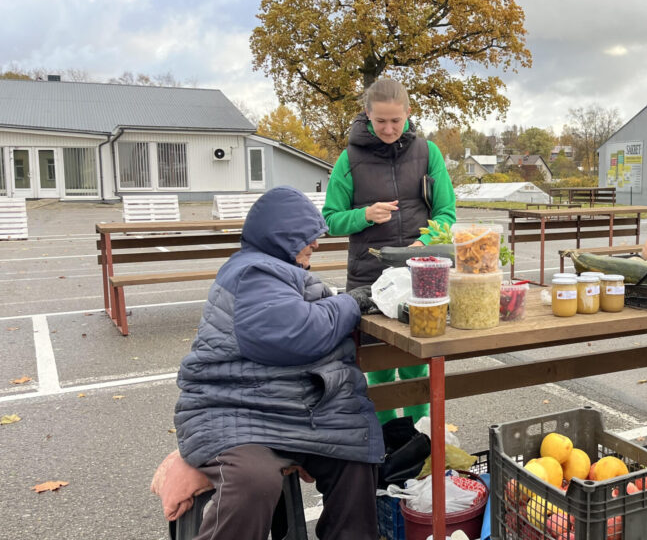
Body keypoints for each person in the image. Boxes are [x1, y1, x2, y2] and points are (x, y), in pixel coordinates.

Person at [174, 186, 383, 540]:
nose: (316, 245)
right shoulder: (253, 271)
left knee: (355, 456)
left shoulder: (275, 269)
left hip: (286, 407)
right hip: (234, 410)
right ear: (284, 236)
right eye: (309, 237)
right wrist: (352, 303)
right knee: (252, 480)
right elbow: (297, 333)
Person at [322, 77, 457, 425]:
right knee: (378, 372)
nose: (388, 128)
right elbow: (331, 220)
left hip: (421, 277)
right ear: (367, 114)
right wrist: (363, 215)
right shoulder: (349, 159)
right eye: (380, 120)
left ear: (408, 113)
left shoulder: (428, 153)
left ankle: (419, 441)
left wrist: (424, 244)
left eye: (395, 120)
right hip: (368, 278)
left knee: (416, 368)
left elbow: (447, 214)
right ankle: (385, 447)